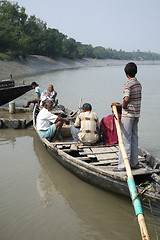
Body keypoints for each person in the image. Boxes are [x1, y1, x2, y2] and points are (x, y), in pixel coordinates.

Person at [111, 62, 142, 171]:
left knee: (125, 140)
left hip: (128, 115)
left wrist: (122, 106)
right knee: (134, 138)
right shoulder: (138, 84)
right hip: (136, 114)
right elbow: (132, 101)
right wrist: (119, 105)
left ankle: (123, 165)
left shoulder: (128, 84)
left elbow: (127, 98)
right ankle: (134, 163)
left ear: (126, 73)